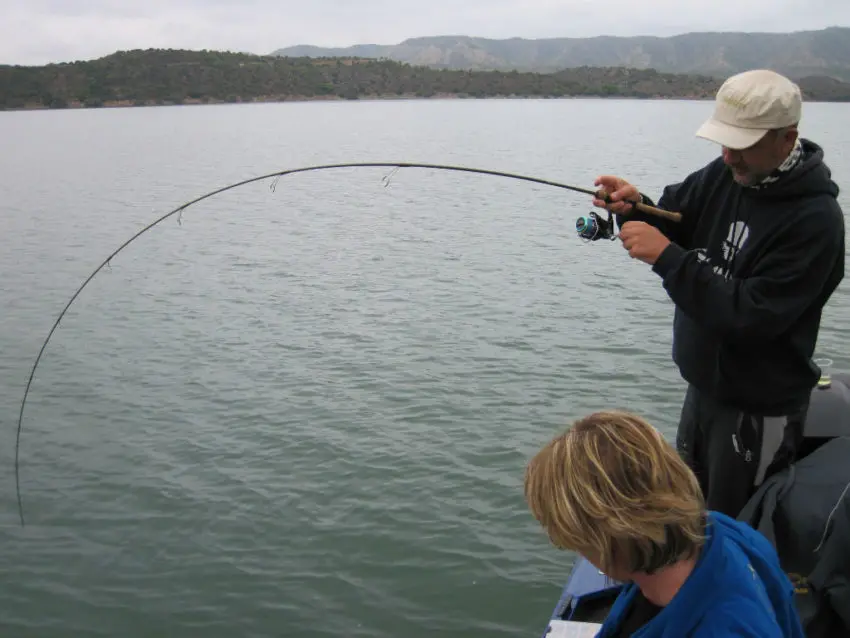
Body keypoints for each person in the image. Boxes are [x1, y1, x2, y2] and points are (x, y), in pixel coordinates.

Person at [590, 69, 845, 518]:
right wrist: (638, 206)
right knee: (690, 512)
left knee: (740, 527)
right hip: (704, 390)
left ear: (787, 139)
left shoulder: (815, 220)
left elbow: (751, 316)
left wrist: (667, 258)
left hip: (759, 410)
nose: (728, 156)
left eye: (742, 145)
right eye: (724, 143)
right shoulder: (727, 172)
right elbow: (677, 215)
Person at [523, 410, 806, 637]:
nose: (577, 551)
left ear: (618, 533)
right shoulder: (724, 531)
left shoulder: (722, 627)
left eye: (575, 539)